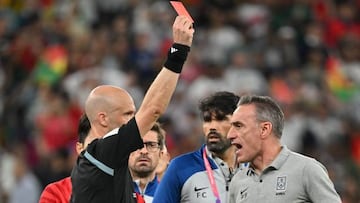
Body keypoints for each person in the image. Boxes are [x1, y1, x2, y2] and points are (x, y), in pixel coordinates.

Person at [70, 15, 194, 203]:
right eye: (127, 114)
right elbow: (152, 110)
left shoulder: (107, 161)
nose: (133, 119)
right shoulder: (103, 152)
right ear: (103, 119)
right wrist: (179, 51)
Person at [227, 94, 342, 203]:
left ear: (264, 129)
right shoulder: (237, 182)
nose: (230, 135)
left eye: (238, 126)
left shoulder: (306, 170)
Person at [153, 91, 240, 203]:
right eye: (207, 120)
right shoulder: (180, 168)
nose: (212, 127)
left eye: (220, 119)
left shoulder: (254, 168)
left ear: (238, 124)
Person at [39, 114, 97, 203]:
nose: (103, 150)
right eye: (95, 144)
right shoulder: (56, 193)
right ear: (80, 149)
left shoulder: (125, 192)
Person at [129, 122, 166, 203]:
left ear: (161, 154)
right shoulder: (112, 193)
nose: (144, 151)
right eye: (137, 145)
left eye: (151, 145)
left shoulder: (172, 195)